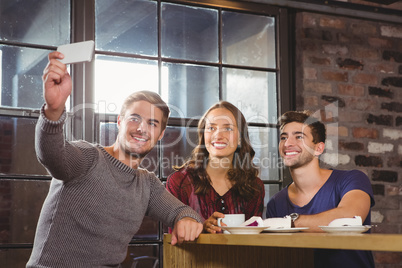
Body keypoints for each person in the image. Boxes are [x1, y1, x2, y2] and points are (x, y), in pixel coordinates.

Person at [27, 51, 203, 267]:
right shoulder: (89, 157)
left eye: (152, 123)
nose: (141, 128)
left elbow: (180, 211)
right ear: (120, 121)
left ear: (161, 134)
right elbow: (51, 155)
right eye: (134, 118)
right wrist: (54, 111)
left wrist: (187, 219)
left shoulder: (146, 185)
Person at [266, 110, 375, 268]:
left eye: (298, 137)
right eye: (283, 137)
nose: (287, 143)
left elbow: (348, 219)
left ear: (318, 148)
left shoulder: (351, 180)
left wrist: (289, 222)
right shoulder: (275, 203)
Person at [166, 101, 265, 234]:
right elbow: (174, 240)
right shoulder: (179, 182)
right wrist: (201, 228)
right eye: (211, 128)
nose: (218, 136)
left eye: (228, 128)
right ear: (203, 135)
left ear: (240, 138)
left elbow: (254, 241)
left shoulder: (254, 187)